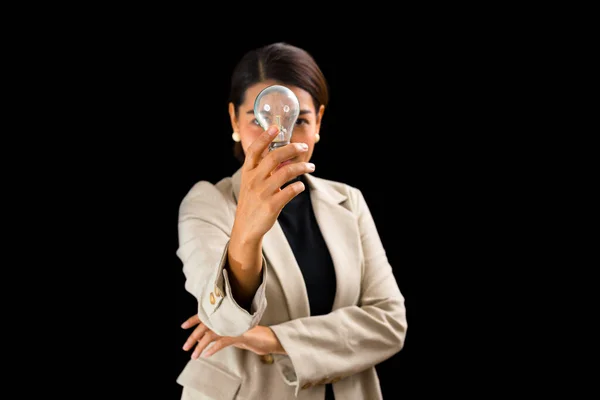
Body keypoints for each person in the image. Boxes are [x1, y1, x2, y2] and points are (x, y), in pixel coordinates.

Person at [176, 42, 407, 400]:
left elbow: (390, 324)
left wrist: (269, 338)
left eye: (298, 120)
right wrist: (248, 229)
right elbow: (223, 318)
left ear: (319, 123)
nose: (278, 137)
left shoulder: (350, 201)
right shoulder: (209, 201)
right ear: (235, 120)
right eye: (259, 120)